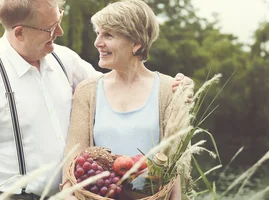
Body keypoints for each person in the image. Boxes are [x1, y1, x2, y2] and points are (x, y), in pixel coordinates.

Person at [0, 0, 193, 199]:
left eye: (59, 19)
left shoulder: (64, 60)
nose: (60, 32)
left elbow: (120, 85)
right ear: (20, 32)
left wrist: (178, 87)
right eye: (50, 28)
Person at [61, 0, 194, 199]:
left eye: (108, 35)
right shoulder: (87, 91)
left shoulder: (170, 90)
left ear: (136, 43)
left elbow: (178, 169)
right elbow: (72, 164)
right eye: (98, 33)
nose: (98, 42)